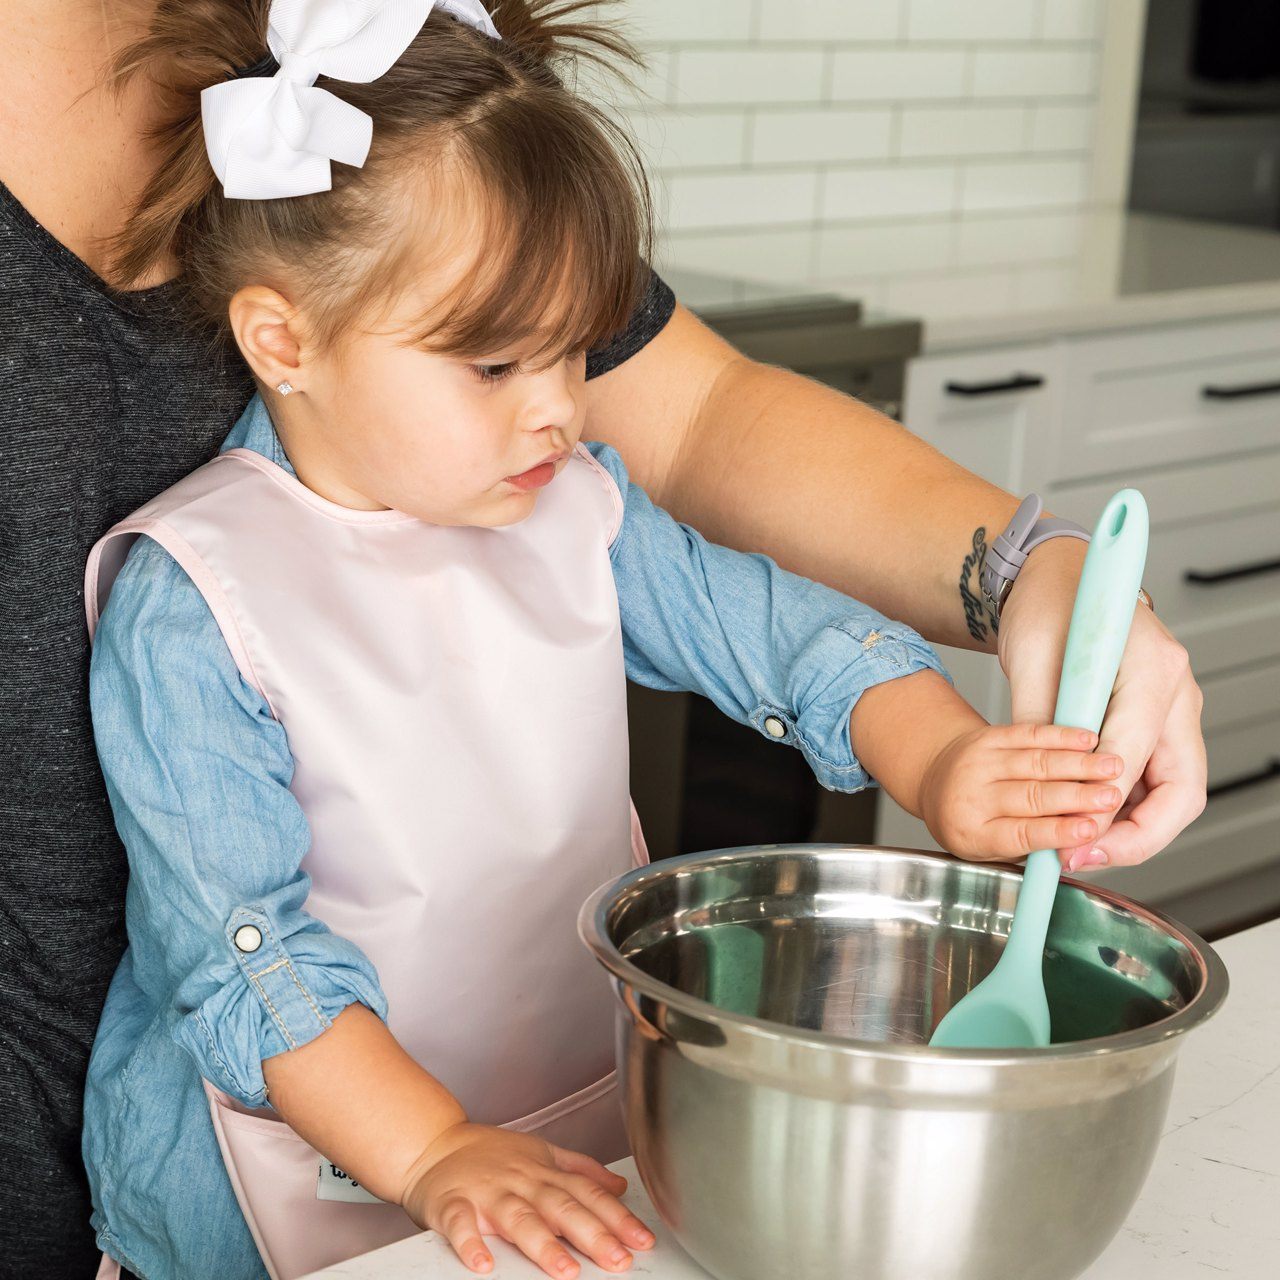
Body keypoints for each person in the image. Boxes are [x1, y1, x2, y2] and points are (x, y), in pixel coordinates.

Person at [0, 0, 1207, 1274]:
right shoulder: (195, 601)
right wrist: (431, 1152)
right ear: (281, 340)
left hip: (538, 1143)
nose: (561, 413)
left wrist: (948, 759)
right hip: (265, 1195)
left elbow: (778, 635)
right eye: (494, 368)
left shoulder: (570, 506)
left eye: (574, 353)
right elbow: (244, 956)